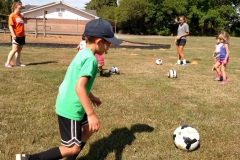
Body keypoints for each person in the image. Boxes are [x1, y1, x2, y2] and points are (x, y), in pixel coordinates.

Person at [15, 18, 122, 160]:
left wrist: (92, 97)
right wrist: (91, 114)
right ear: (99, 42)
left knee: (89, 129)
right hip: (72, 107)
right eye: (108, 44)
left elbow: (75, 82)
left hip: (69, 101)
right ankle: (29, 159)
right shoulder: (91, 60)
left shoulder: (83, 53)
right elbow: (79, 87)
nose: (109, 47)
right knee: (72, 148)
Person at [5, 2, 26, 68]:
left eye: (21, 8)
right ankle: (7, 63)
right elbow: (10, 26)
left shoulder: (20, 16)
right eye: (19, 8)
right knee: (14, 49)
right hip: (15, 35)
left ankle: (17, 62)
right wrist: (13, 34)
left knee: (19, 50)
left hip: (22, 35)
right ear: (15, 8)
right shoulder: (12, 15)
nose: (20, 10)